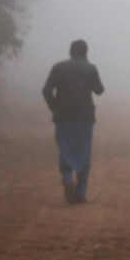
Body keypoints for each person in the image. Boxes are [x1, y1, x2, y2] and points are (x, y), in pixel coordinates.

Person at [42, 39, 104, 204]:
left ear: (70, 52)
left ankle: (67, 177)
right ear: (86, 52)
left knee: (65, 148)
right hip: (84, 118)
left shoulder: (58, 67)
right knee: (83, 152)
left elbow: (46, 90)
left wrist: (55, 108)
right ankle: (80, 193)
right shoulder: (90, 68)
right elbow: (99, 90)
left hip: (63, 117)